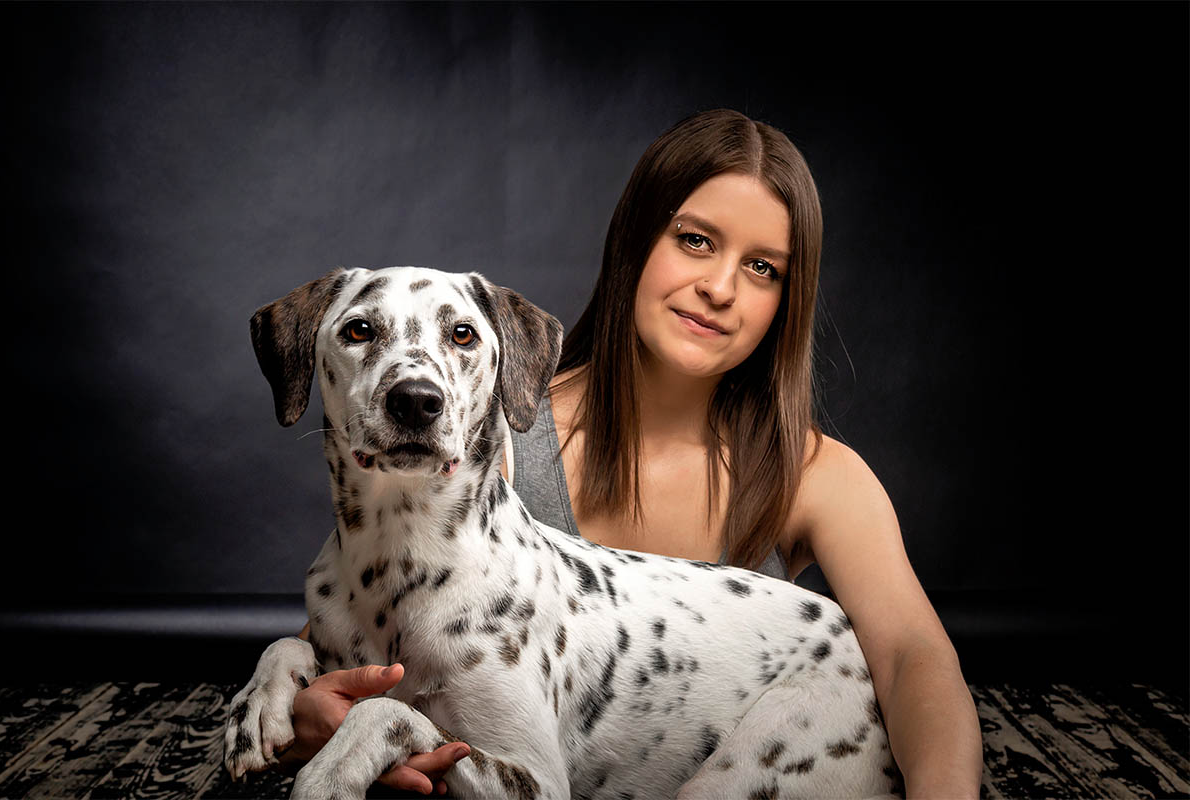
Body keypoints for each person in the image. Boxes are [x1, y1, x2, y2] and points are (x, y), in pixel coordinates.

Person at [279, 108, 983, 798]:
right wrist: (309, 705)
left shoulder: (816, 473)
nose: (721, 286)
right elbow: (361, 626)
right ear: (634, 241)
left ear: (786, 299)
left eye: (764, 267)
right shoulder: (486, 431)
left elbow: (912, 658)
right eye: (697, 241)